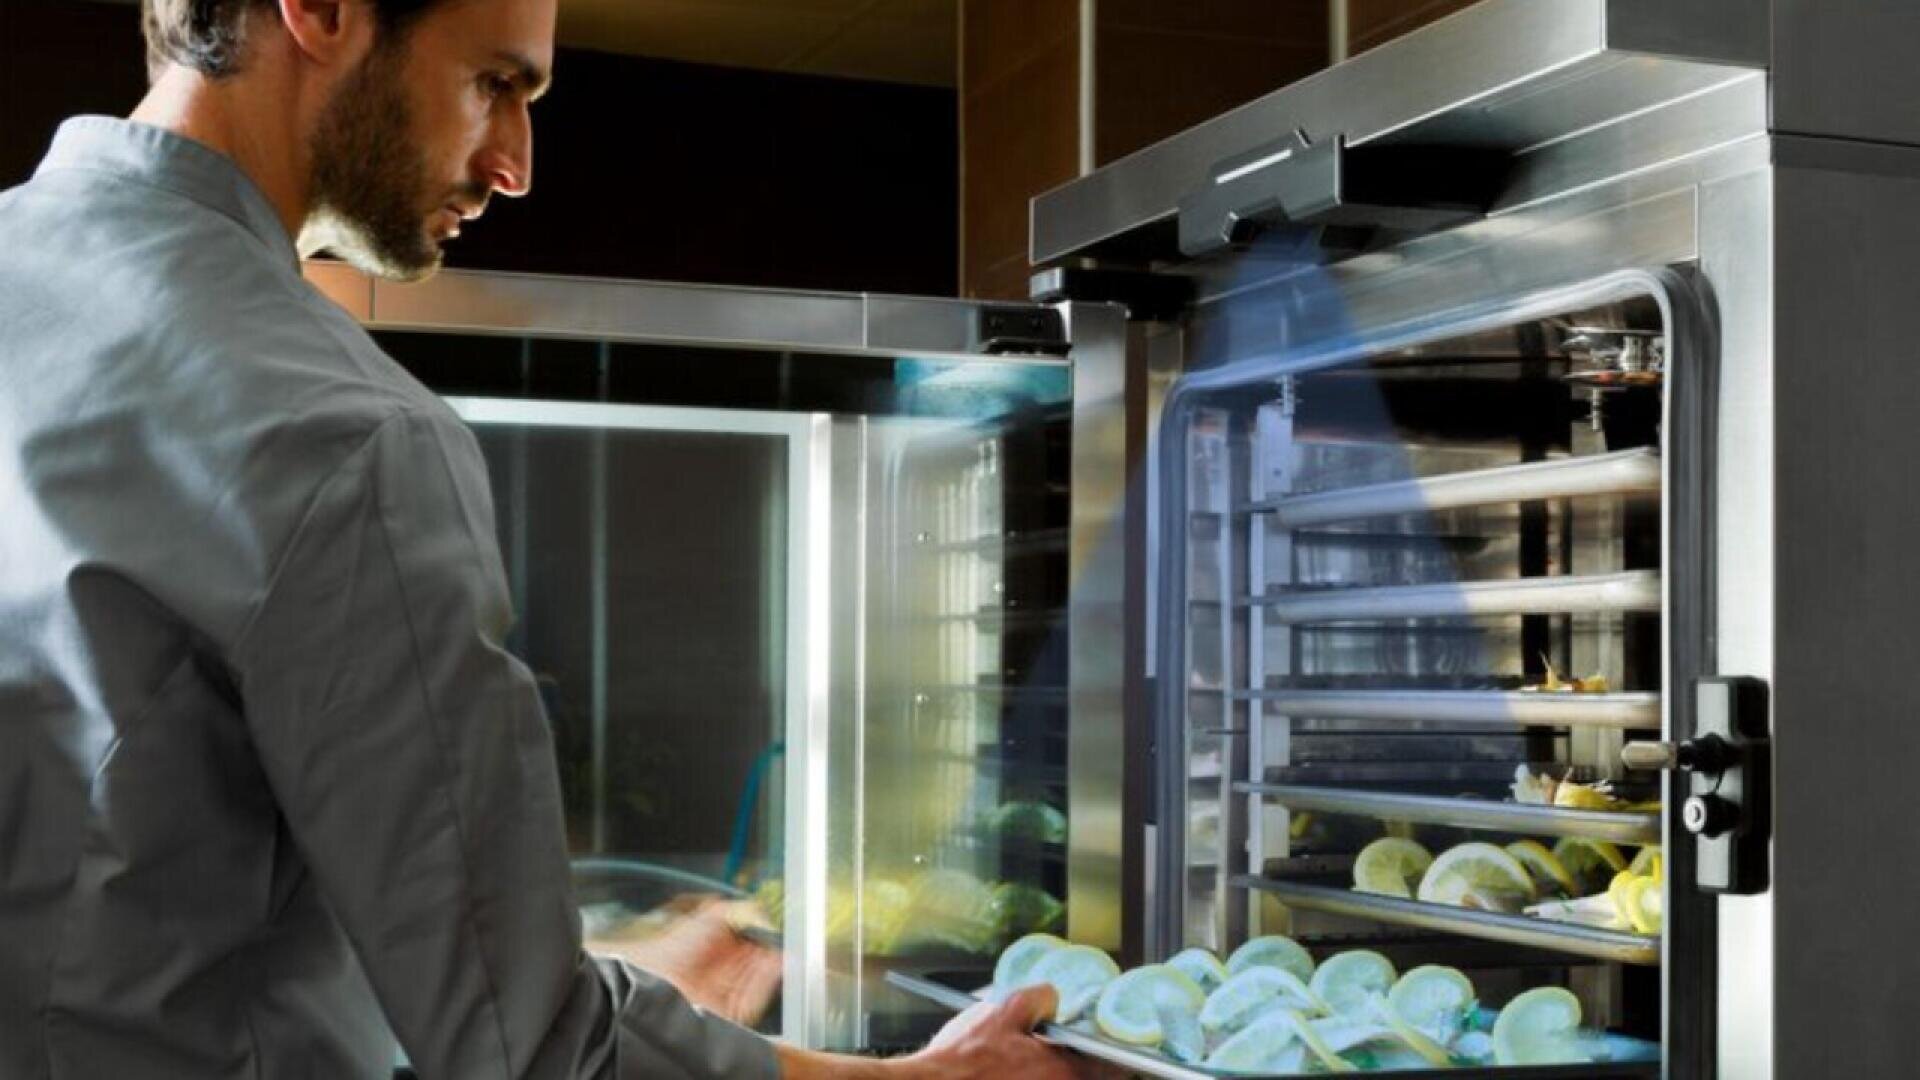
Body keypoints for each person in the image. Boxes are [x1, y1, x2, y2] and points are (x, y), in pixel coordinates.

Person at [0, 0, 1094, 1077]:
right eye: (496, 83)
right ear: (322, 12)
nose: (516, 163)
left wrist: (584, 967)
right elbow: (533, 1055)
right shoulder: (342, 432)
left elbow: (157, 904)